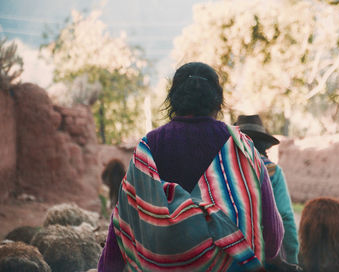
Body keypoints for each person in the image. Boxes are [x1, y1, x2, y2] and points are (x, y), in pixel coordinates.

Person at [98, 62, 284, 271]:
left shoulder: (149, 147)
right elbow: (272, 237)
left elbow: (123, 222)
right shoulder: (242, 148)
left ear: (174, 100)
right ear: (217, 101)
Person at [235, 115, 299, 266]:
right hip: (267, 253)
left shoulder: (224, 169)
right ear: (264, 145)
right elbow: (285, 216)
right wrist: (292, 256)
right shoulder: (272, 171)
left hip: (230, 250)